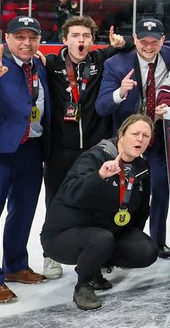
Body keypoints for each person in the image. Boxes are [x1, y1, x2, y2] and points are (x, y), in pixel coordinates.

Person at [0, 16, 53, 304]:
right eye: (20, 37)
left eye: (33, 37)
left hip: (31, 148)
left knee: (24, 210)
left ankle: (16, 265)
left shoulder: (38, 64)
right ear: (7, 38)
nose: (26, 43)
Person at [40, 16, 130, 278]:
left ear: (93, 40)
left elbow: (129, 48)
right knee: (56, 201)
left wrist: (121, 43)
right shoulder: (52, 64)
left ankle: (98, 252)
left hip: (94, 149)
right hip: (60, 149)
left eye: (86, 36)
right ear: (65, 39)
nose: (81, 40)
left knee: (97, 200)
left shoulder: (101, 61)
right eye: (76, 35)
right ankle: (50, 254)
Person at [40, 115, 159, 311]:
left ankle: (95, 264)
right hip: (63, 235)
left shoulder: (141, 168)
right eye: (135, 134)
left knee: (146, 250)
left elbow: (141, 210)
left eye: (145, 135)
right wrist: (100, 176)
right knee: (101, 239)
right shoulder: (95, 157)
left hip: (105, 231)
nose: (140, 139)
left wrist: (132, 236)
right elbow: (71, 192)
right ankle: (83, 284)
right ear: (121, 134)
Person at [96, 18, 170, 259]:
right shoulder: (116, 64)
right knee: (123, 192)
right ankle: (115, 242)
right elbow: (102, 106)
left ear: (163, 40)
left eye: (155, 41)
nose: (149, 46)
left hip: (159, 135)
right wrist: (120, 92)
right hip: (128, 138)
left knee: (161, 189)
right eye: (143, 41)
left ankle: (158, 241)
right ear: (134, 40)